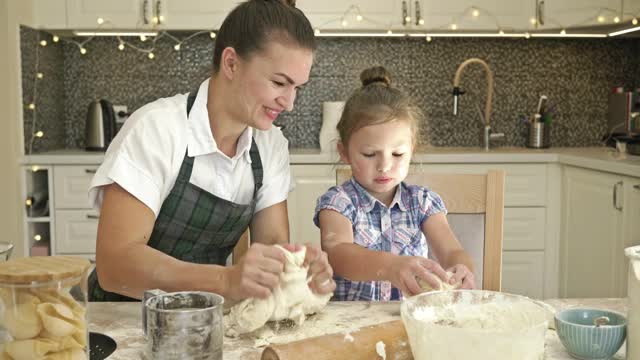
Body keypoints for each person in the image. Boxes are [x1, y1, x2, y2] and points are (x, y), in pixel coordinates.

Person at [87, 0, 335, 302]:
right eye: (279, 82)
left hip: (203, 317)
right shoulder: (157, 129)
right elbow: (115, 267)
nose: (290, 102)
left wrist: (296, 271)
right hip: (123, 319)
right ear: (231, 63)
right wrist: (224, 280)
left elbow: (272, 246)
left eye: (297, 87)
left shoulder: (269, 146)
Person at [313, 66, 475, 301]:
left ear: (412, 151)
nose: (384, 166)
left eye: (397, 154)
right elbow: (338, 255)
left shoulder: (422, 203)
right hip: (353, 323)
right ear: (344, 152)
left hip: (409, 320)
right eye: (370, 154)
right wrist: (390, 266)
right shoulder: (338, 203)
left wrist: (462, 269)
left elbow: (452, 251)